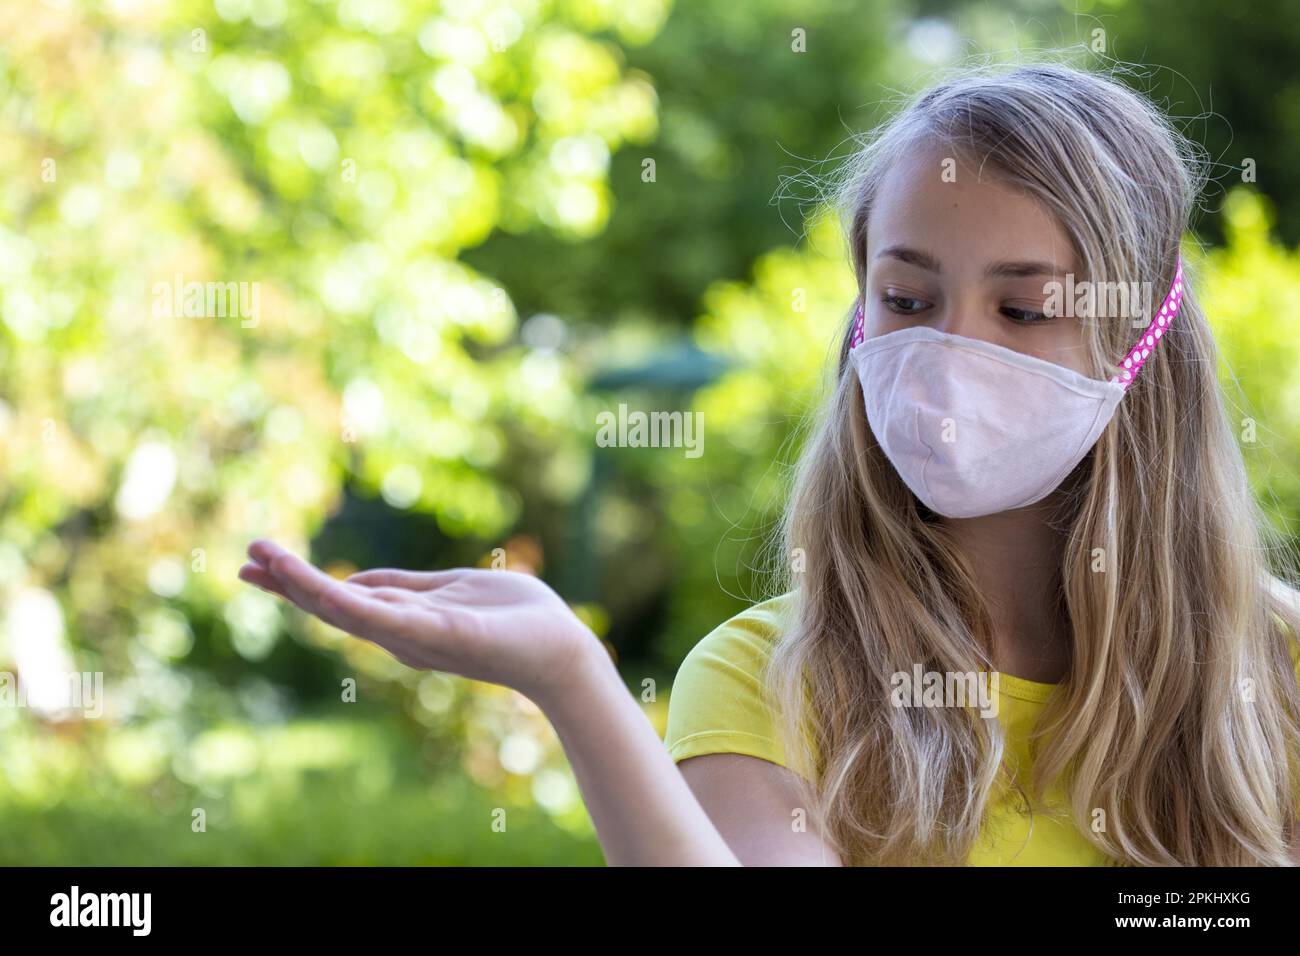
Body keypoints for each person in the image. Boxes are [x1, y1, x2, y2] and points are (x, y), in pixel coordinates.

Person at [240, 61, 1300, 866]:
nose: (947, 351)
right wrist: (573, 679)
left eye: (1022, 309)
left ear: (1142, 340)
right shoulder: (777, 679)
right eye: (906, 298)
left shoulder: (1277, 669)